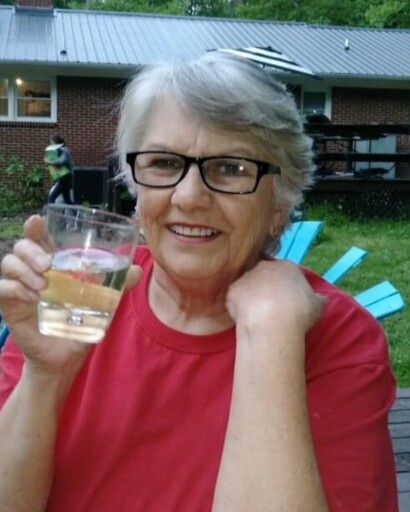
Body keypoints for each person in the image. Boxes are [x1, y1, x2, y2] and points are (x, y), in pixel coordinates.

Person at [0, 52, 398, 512]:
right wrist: (45, 377)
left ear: (279, 205)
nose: (189, 197)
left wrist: (270, 335)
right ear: (136, 186)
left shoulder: (339, 338)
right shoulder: (78, 295)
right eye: (164, 163)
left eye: (231, 168)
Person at [45, 133, 75, 205]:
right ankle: (77, 212)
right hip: (64, 177)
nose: (51, 145)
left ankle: (50, 212)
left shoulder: (64, 150)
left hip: (66, 177)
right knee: (67, 200)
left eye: (52, 143)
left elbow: (63, 160)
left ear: (56, 142)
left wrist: (51, 162)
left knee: (51, 197)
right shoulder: (59, 151)